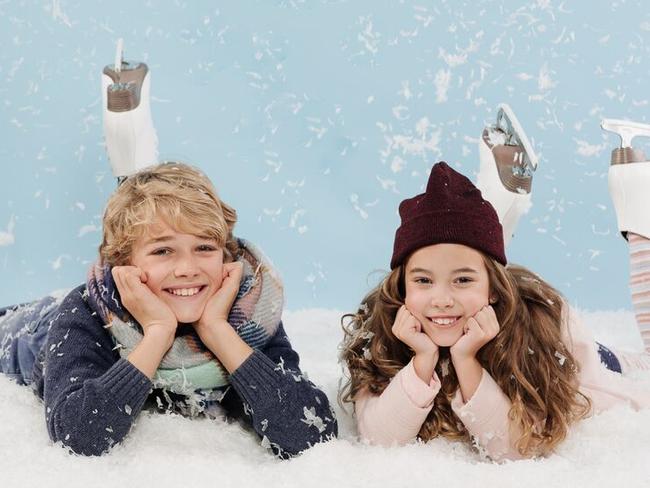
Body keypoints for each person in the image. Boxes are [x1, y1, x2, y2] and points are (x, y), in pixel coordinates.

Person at [339, 107, 650, 461]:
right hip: (488, 295)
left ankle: (642, 215)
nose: (441, 299)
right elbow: (380, 440)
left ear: (493, 289)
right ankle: (495, 203)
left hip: (579, 351)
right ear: (402, 286)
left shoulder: (538, 330)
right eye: (423, 280)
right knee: (471, 256)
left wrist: (467, 360)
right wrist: (423, 359)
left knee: (641, 364)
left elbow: (517, 450)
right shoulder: (381, 330)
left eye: (462, 280)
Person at [0, 162, 337, 458]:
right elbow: (78, 435)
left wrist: (219, 332)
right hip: (37, 331)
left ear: (226, 255)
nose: (188, 268)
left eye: (204, 247)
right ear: (124, 263)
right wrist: (158, 334)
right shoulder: (86, 313)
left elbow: (312, 432)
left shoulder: (248, 315)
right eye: (163, 251)